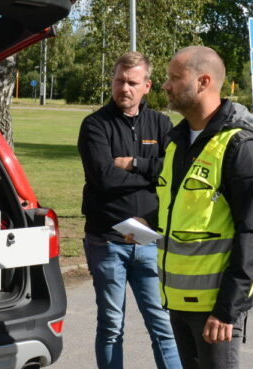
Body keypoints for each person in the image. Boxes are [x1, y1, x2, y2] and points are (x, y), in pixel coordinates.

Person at [158, 46, 253, 369]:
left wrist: (227, 310)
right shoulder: (178, 141)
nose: (166, 85)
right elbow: (181, 209)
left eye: (175, 78)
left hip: (215, 310)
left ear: (203, 81)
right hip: (177, 301)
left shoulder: (240, 147)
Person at [78, 51, 181, 369]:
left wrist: (136, 163)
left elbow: (175, 170)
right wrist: (151, 178)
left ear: (147, 86)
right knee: (111, 327)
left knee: (163, 326)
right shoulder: (95, 125)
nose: (125, 88)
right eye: (120, 80)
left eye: (132, 82)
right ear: (113, 81)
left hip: (149, 240)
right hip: (107, 241)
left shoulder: (162, 124)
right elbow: (105, 177)